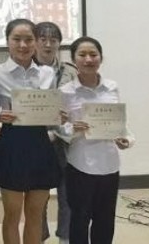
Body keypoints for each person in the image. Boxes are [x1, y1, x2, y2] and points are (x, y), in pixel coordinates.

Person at [0, 19, 62, 244]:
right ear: (7, 41)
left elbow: (52, 108)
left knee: (35, 213)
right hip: (11, 145)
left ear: (36, 42)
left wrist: (58, 115)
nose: (23, 45)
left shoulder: (47, 73)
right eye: (16, 39)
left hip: (40, 144)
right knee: (12, 213)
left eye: (28, 39)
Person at [58, 36, 133, 244]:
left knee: (105, 219)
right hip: (80, 165)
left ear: (101, 58)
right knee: (79, 219)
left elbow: (121, 123)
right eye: (82, 55)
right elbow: (60, 128)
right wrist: (72, 129)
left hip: (109, 164)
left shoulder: (112, 87)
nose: (88, 59)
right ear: (74, 59)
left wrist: (127, 140)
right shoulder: (65, 92)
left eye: (93, 54)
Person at [33, 21, 77, 244]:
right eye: (43, 39)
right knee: (37, 195)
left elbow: (77, 105)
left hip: (64, 140)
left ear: (60, 43)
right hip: (35, 140)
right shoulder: (25, 70)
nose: (48, 44)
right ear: (35, 42)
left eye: (53, 40)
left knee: (67, 193)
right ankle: (38, 236)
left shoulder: (71, 71)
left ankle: (65, 238)